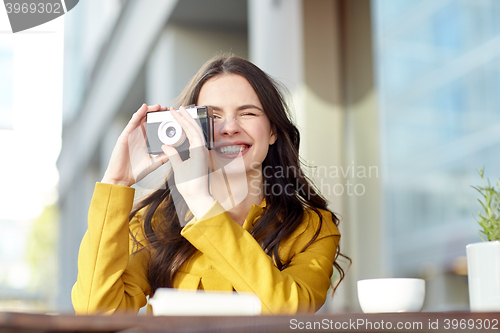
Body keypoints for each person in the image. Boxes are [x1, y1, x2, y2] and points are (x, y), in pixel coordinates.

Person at [72, 54, 347, 315]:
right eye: (212, 116)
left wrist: (201, 202)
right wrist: (116, 181)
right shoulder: (155, 223)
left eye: (248, 113)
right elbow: (96, 312)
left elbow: (289, 311)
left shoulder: (312, 228)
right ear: (189, 127)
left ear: (273, 131)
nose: (229, 128)